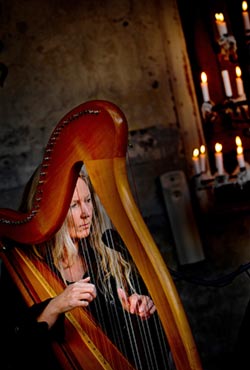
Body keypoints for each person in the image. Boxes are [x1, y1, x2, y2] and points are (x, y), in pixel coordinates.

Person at [0, 165, 172, 370]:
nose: (86, 213)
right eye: (73, 205)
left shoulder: (109, 255)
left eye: (88, 201)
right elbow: (13, 350)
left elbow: (157, 342)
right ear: (50, 212)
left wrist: (141, 310)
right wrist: (56, 305)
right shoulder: (21, 270)